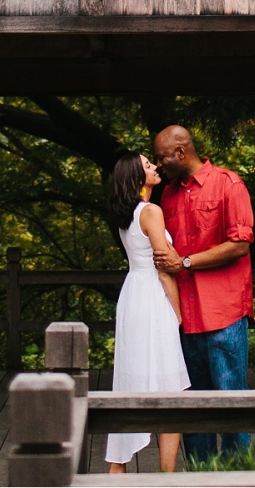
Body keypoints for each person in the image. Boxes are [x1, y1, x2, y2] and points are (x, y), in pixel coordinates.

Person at [151, 125, 255, 463]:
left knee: (231, 403)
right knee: (193, 408)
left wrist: (185, 262)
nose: (159, 165)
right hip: (183, 317)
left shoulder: (229, 184)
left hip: (223, 314)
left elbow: (240, 244)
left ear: (180, 153)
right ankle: (201, 478)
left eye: (161, 158)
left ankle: (240, 482)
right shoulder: (167, 195)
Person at [104, 152, 189, 474]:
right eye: (148, 165)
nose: (155, 167)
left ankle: (117, 466)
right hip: (153, 297)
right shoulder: (151, 211)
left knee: (132, 379)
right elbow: (166, 266)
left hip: (133, 295)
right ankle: (166, 476)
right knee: (172, 390)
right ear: (138, 177)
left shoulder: (127, 214)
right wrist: (177, 315)